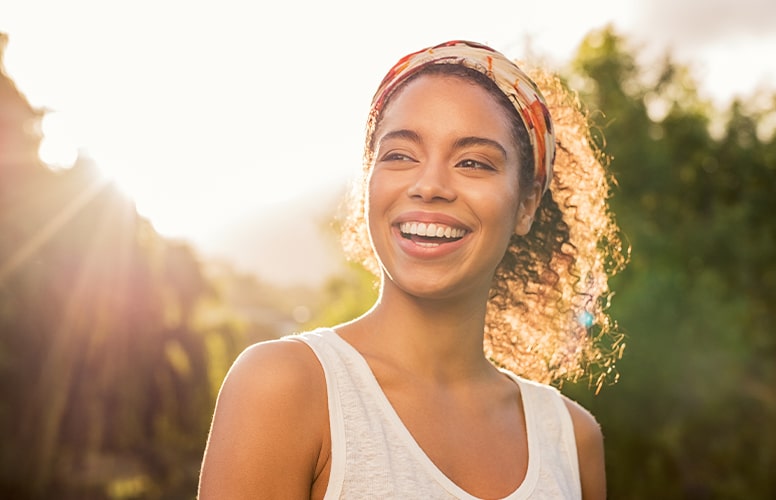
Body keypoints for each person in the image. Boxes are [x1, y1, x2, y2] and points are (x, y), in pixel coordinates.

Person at [198, 39, 626, 499]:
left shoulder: (571, 441)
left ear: (526, 203)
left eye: (473, 162)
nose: (429, 185)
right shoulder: (284, 387)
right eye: (400, 155)